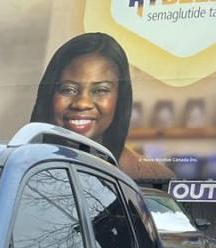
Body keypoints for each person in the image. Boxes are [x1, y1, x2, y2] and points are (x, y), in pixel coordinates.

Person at [30, 33, 171, 181]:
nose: (82, 103)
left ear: (120, 98)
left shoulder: (155, 177)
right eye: (68, 89)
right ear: (49, 94)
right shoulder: (19, 165)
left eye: (100, 90)